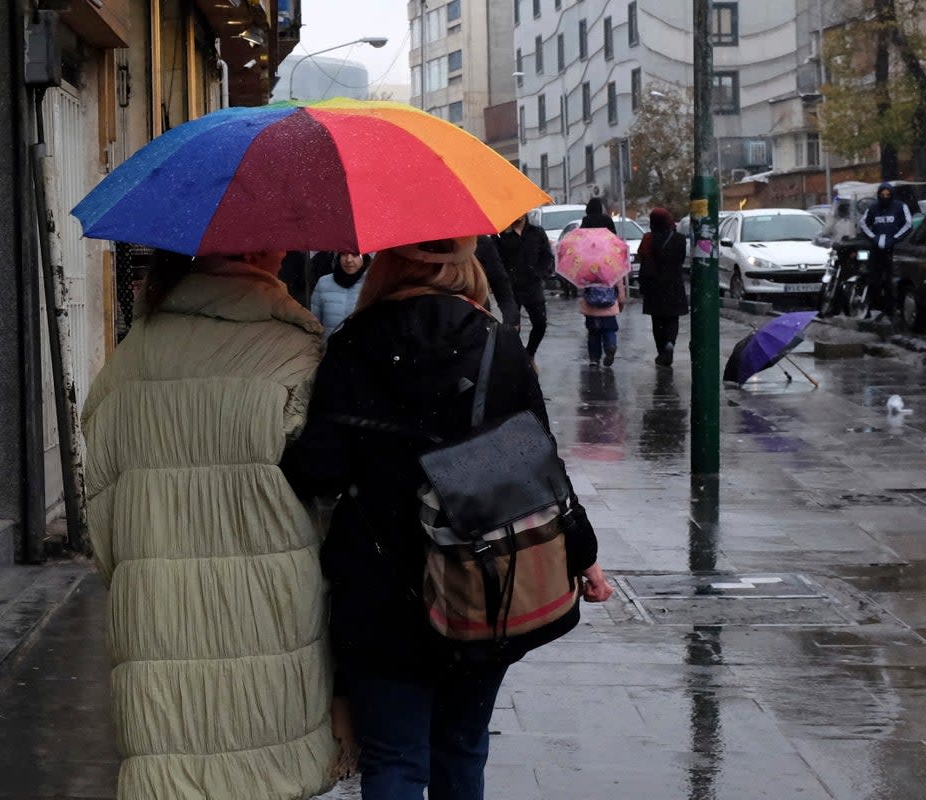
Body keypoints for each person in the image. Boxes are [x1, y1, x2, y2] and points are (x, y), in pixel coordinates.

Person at [281, 236, 613, 800]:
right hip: (481, 578)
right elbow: (540, 466)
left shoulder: (351, 346)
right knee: (461, 747)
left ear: (387, 262)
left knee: (393, 756)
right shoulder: (496, 343)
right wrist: (583, 554)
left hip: (379, 584)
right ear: (465, 263)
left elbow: (320, 471)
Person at [80, 249, 342, 800]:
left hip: (155, 605)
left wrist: (135, 567)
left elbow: (101, 505)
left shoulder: (131, 357)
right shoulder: (295, 350)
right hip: (272, 605)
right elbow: (327, 491)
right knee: (269, 765)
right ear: (263, 251)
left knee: (169, 767)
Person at [637, 207, 689, 367]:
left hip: (653, 286)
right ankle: (670, 343)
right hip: (674, 285)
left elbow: (641, 257)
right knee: (672, 319)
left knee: (657, 321)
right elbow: (681, 259)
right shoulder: (679, 239)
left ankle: (661, 352)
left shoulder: (648, 239)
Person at [497, 216, 554, 361]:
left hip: (532, 286)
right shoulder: (501, 235)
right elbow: (496, 261)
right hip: (511, 288)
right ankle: (516, 359)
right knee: (512, 327)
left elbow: (547, 256)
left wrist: (539, 272)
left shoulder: (537, 232)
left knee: (540, 323)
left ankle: (529, 354)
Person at [859, 182, 913, 320]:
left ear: (892, 194)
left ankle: (893, 309)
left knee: (892, 280)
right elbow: (863, 223)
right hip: (876, 249)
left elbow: (908, 224)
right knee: (874, 279)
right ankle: (876, 307)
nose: (885, 197)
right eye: (882, 194)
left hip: (894, 249)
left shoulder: (900, 207)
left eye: (888, 194)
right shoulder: (873, 208)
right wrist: (873, 237)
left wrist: (895, 238)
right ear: (878, 195)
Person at [310, 252, 370, 336]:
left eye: (355, 254)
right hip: (329, 347)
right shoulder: (324, 283)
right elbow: (314, 322)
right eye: (344, 254)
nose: (348, 260)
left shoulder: (373, 285)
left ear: (364, 257)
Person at [580, 268, 627, 367]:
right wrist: (621, 302)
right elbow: (620, 288)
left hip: (591, 310)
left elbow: (582, 288)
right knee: (609, 331)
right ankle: (610, 346)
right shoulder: (613, 267)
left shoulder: (587, 267)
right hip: (609, 309)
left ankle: (594, 358)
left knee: (593, 334)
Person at [474, 234, 520, 329]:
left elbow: (499, 281)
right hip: (471, 312)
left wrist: (511, 317)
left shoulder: (481, 242)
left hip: (474, 312)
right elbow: (499, 280)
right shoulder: (481, 242)